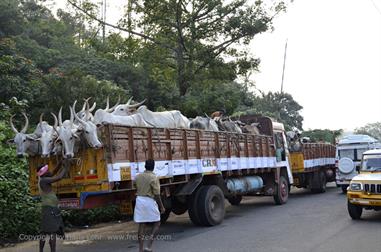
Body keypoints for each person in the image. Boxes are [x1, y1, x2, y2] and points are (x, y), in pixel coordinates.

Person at [134, 159, 165, 252]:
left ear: (145, 166)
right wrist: (161, 206)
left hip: (139, 200)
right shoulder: (154, 178)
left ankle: (140, 249)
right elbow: (157, 194)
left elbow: (135, 186)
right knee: (157, 222)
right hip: (149, 201)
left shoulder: (138, 176)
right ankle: (149, 245)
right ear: (153, 167)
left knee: (141, 225)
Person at [37, 159, 69, 252]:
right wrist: (67, 166)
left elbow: (53, 172)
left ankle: (41, 251)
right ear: (43, 173)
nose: (48, 171)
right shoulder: (44, 180)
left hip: (49, 208)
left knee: (44, 231)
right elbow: (58, 177)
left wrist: (59, 163)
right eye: (47, 170)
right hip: (49, 208)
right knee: (52, 231)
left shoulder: (43, 178)